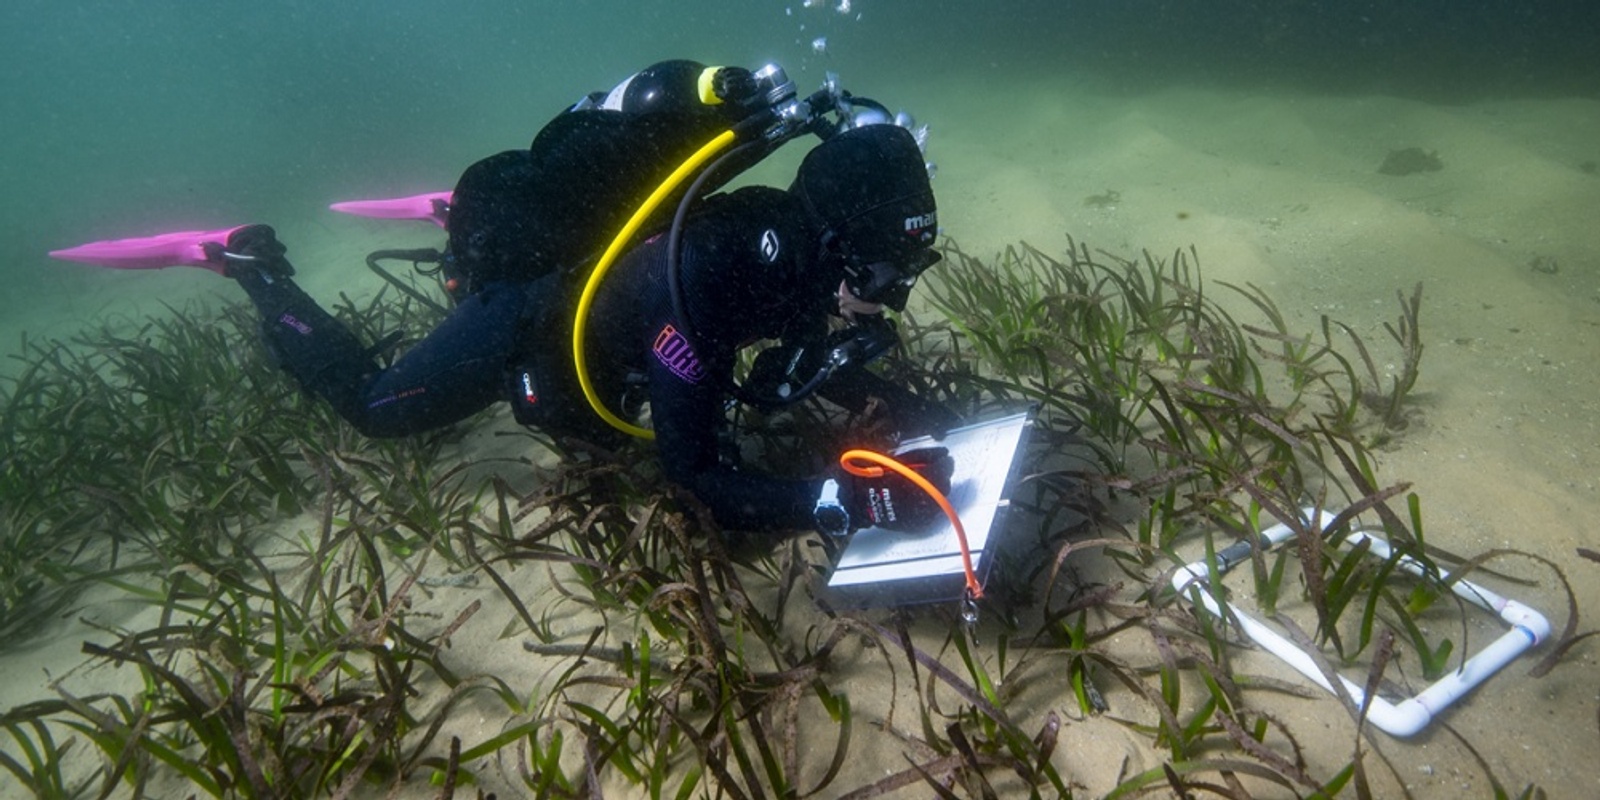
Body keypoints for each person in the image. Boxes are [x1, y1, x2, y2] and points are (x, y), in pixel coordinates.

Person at [52, 59, 959, 535]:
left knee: (510, 272)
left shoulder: (800, 253)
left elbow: (804, 362)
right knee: (376, 408)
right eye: (883, 279)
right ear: (839, 245)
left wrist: (919, 426)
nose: (894, 301)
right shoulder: (711, 276)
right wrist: (837, 504)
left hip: (589, 283)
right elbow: (693, 477)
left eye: (908, 275)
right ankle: (250, 265)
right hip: (529, 330)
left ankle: (471, 226)